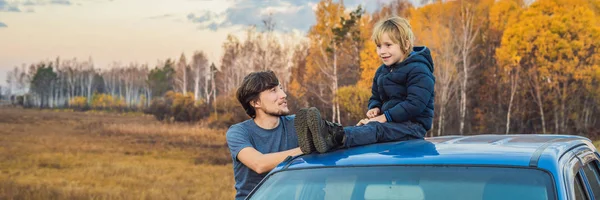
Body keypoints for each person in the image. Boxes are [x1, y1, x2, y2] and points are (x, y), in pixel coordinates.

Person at [295, 16, 436, 154]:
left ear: (405, 45)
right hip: (391, 123)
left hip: (412, 127)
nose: (382, 51)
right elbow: (376, 96)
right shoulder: (382, 71)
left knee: (375, 129)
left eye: (388, 45)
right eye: (379, 46)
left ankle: (332, 137)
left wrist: (384, 117)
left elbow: (415, 104)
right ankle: (321, 138)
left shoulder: (419, 69)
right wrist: (375, 108)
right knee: (363, 127)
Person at [226, 70, 302, 200]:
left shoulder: (297, 124)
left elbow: (343, 134)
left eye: (281, 89)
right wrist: (305, 149)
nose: (283, 95)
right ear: (256, 103)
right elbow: (259, 164)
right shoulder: (239, 132)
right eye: (273, 90)